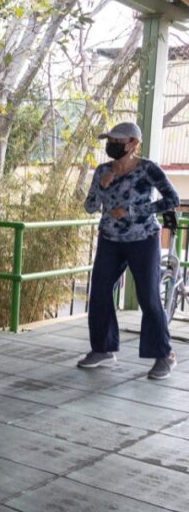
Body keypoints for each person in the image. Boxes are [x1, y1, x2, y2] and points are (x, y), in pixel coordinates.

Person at [79, 121, 181, 379]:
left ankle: (164, 355)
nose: (111, 146)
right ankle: (102, 349)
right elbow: (89, 207)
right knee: (100, 291)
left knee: (148, 296)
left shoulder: (148, 169)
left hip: (143, 239)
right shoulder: (102, 170)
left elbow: (172, 199)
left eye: (117, 142)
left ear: (133, 144)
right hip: (110, 239)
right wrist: (102, 186)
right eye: (109, 141)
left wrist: (134, 211)